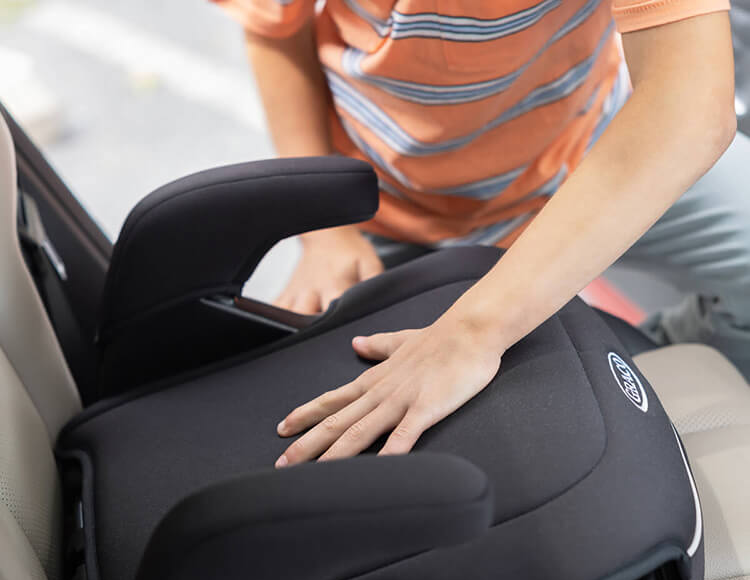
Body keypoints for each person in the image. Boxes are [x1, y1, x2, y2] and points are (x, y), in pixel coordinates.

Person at [211, 0, 741, 466]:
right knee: (355, 423)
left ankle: (652, 363)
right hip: (382, 198)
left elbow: (689, 102)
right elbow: (274, 24)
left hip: (588, 155)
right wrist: (326, 229)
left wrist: (474, 332)